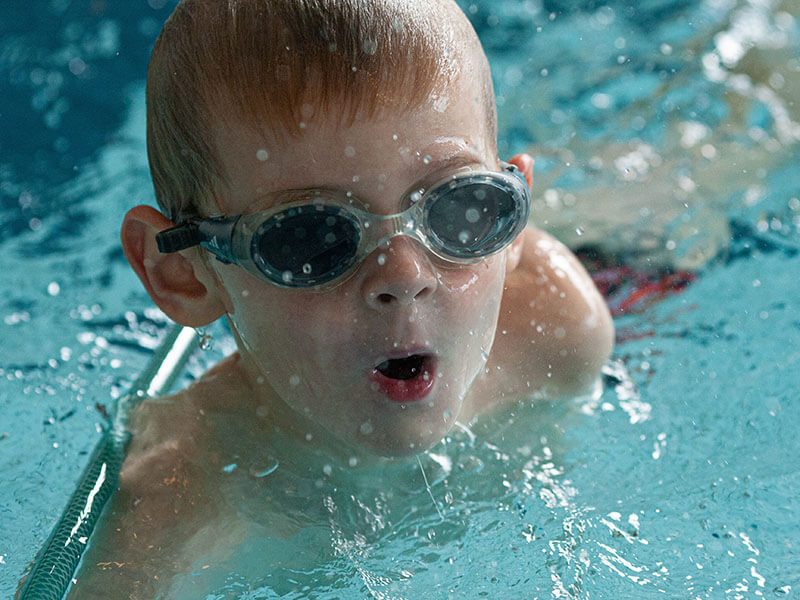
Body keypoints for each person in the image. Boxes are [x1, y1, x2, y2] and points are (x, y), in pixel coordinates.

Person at [68, 0, 613, 596]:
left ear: (512, 213)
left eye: (462, 209)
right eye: (311, 237)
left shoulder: (554, 330)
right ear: (183, 274)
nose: (403, 275)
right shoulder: (183, 484)